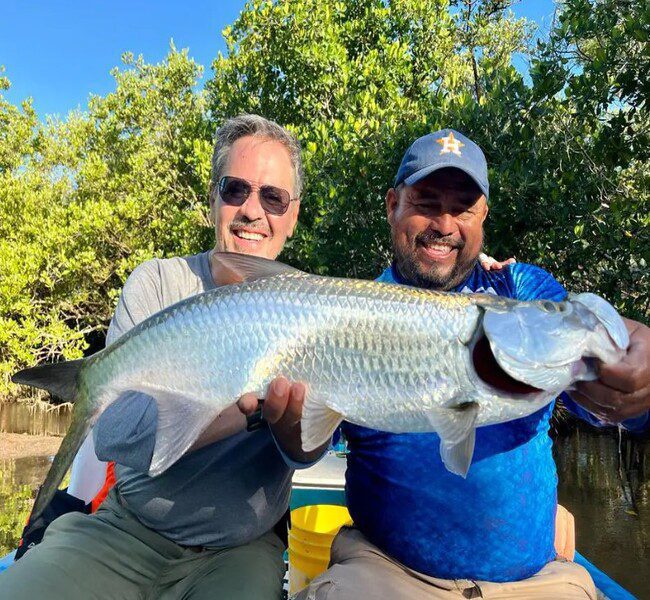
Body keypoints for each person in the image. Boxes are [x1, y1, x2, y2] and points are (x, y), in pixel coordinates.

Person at [295, 129, 650, 600]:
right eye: (426, 201)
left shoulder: (523, 292)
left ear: (483, 217)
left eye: (463, 207)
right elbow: (307, 445)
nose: (444, 223)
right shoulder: (348, 314)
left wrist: (638, 392)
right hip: (387, 574)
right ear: (391, 206)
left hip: (534, 581)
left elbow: (611, 398)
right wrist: (285, 429)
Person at [3, 114, 328, 599]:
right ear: (214, 199)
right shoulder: (156, 282)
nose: (252, 210)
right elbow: (114, 433)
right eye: (235, 189)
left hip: (238, 551)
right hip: (123, 532)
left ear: (293, 214)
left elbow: (307, 451)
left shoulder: (316, 306)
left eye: (273, 196)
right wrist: (242, 413)